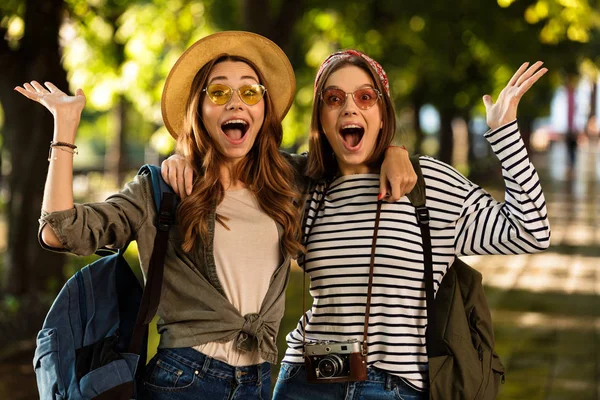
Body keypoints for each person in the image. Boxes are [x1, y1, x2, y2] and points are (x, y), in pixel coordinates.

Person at [16, 32, 415, 400]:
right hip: (183, 380)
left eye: (249, 91)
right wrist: (64, 129)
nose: (236, 102)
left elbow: (349, 150)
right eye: (219, 91)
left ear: (264, 109)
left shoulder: (290, 180)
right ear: (200, 109)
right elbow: (60, 231)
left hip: (257, 382)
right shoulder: (163, 191)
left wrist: (394, 152)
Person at [266, 52, 551, 399]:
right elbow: (234, 160)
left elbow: (531, 230)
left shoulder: (427, 184)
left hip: (393, 387)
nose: (350, 108)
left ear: (383, 114)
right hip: (307, 381)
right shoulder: (302, 185)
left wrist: (505, 134)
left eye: (366, 97)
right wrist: (184, 161)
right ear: (321, 118)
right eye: (334, 98)